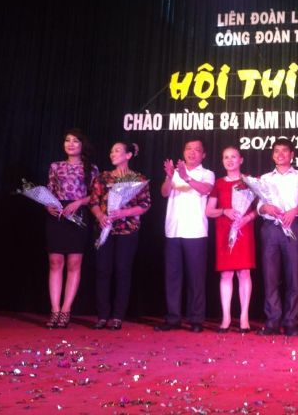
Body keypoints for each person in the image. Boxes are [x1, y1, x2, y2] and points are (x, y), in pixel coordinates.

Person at [155, 139, 215, 333]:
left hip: (196, 231)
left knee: (196, 278)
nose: (192, 152)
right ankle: (173, 317)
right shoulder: (175, 172)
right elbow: (164, 193)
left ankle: (196, 319)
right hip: (173, 230)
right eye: (188, 149)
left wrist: (186, 177)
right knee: (172, 277)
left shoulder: (207, 173)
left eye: (197, 150)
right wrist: (169, 176)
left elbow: (206, 189)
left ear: (203, 155)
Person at [90, 142, 151, 330]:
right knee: (103, 270)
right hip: (105, 229)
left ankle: (117, 316)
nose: (112, 154)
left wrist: (124, 212)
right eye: (111, 151)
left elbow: (145, 204)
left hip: (127, 230)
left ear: (128, 155)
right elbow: (93, 201)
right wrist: (100, 216)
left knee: (123, 271)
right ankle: (102, 316)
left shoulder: (138, 178)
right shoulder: (103, 177)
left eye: (117, 151)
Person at [45, 128, 98, 328]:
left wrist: (79, 202)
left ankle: (66, 310)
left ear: (82, 145)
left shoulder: (91, 168)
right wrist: (48, 204)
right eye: (67, 140)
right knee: (55, 262)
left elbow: (96, 195)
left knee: (74, 263)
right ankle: (54, 310)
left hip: (78, 214)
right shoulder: (55, 166)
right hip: (57, 214)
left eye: (75, 141)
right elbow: (49, 190)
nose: (71, 144)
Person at [256, 138, 298, 336]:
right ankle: (272, 321)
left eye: (284, 151)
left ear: (292, 154)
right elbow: (259, 206)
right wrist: (266, 207)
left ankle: (291, 321)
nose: (280, 154)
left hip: (292, 227)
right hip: (270, 228)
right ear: (272, 155)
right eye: (276, 151)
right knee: (270, 277)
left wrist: (295, 211)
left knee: (293, 276)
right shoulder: (265, 178)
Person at [206, 146, 256, 333]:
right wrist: (224, 211)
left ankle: (244, 317)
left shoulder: (249, 181)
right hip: (224, 231)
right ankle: (226, 317)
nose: (230, 160)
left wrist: (247, 218)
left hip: (244, 229)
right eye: (226, 157)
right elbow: (209, 211)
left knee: (244, 273)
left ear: (241, 160)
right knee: (226, 274)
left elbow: (260, 208)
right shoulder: (218, 183)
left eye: (233, 156)